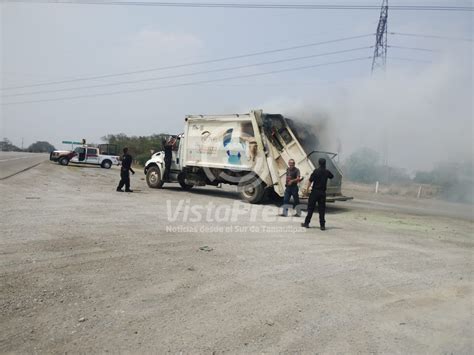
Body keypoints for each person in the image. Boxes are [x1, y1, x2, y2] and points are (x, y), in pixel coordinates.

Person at [301, 158, 334, 230]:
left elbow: (310, 180)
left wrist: (307, 190)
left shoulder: (316, 171)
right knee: (322, 210)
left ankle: (306, 223)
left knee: (310, 208)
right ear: (325, 163)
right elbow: (332, 176)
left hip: (315, 192)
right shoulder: (327, 172)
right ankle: (322, 226)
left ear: (319, 163)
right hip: (322, 193)